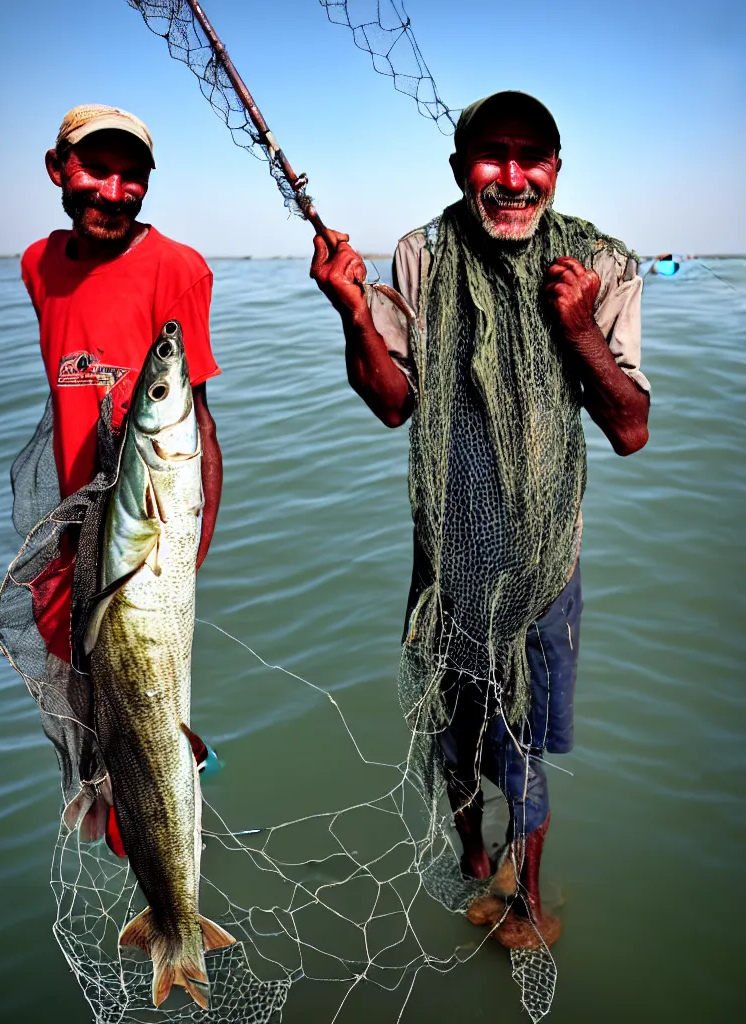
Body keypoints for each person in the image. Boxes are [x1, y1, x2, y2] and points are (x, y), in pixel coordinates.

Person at [310, 91, 650, 949]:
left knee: (525, 742)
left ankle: (526, 892)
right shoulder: (423, 255)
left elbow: (632, 429)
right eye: (490, 156)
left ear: (556, 170)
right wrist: (355, 314)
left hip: (544, 566)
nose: (511, 176)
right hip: (449, 559)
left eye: (530, 157)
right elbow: (393, 403)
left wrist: (578, 329)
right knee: (452, 732)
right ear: (461, 168)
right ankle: (470, 860)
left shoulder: (600, 262)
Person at [11, 104, 223, 835]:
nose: (114, 189)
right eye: (97, 169)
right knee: (101, 746)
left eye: (132, 176)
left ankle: (174, 907)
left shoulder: (177, 269)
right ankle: (147, 880)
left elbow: (199, 428)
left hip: (140, 555)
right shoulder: (37, 266)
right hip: (71, 552)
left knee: (153, 732)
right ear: (56, 170)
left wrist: (177, 565)